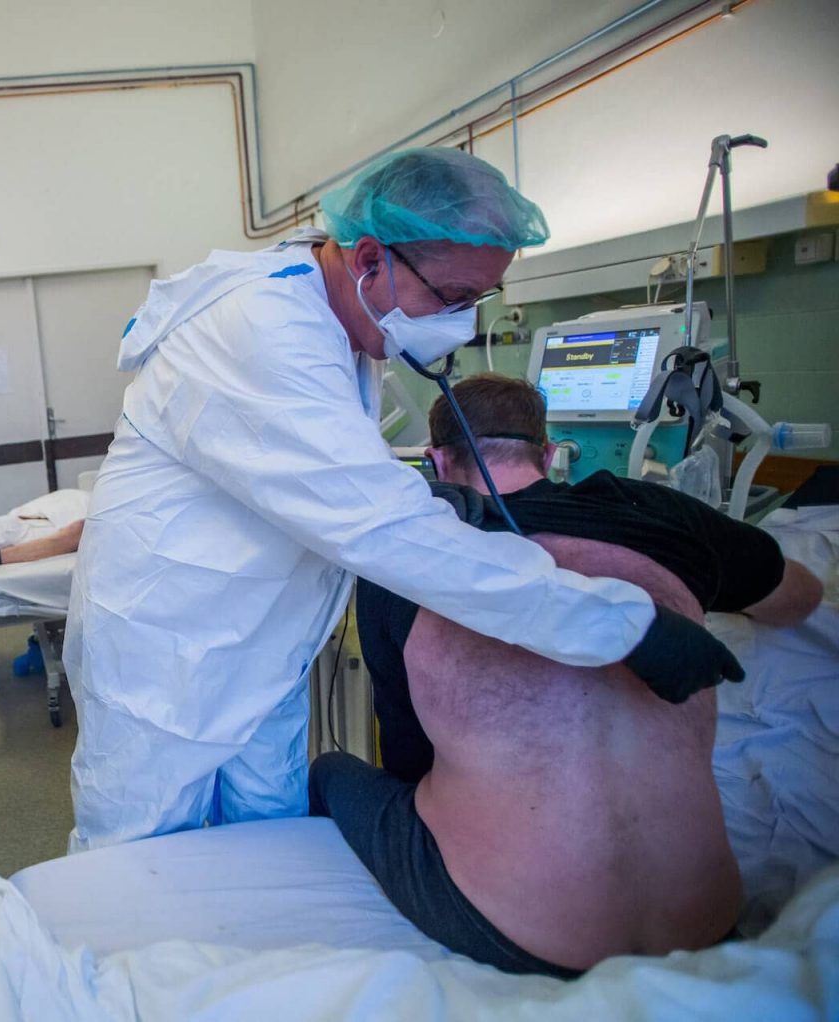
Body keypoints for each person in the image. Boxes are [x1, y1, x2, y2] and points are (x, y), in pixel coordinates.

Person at [64, 147, 744, 852]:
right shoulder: (264, 327)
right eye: (452, 297)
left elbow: (321, 470)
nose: (462, 323)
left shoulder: (331, 316)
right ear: (368, 260)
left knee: (266, 831)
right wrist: (621, 625)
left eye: (477, 301)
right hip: (170, 639)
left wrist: (427, 502)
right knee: (140, 856)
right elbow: (379, 526)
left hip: (258, 633)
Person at [313, 374, 821, 977]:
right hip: (703, 923)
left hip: (509, 930)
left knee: (329, 772)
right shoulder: (659, 515)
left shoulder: (412, 565)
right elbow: (801, 598)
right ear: (549, 453)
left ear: (436, 462)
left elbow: (408, 759)